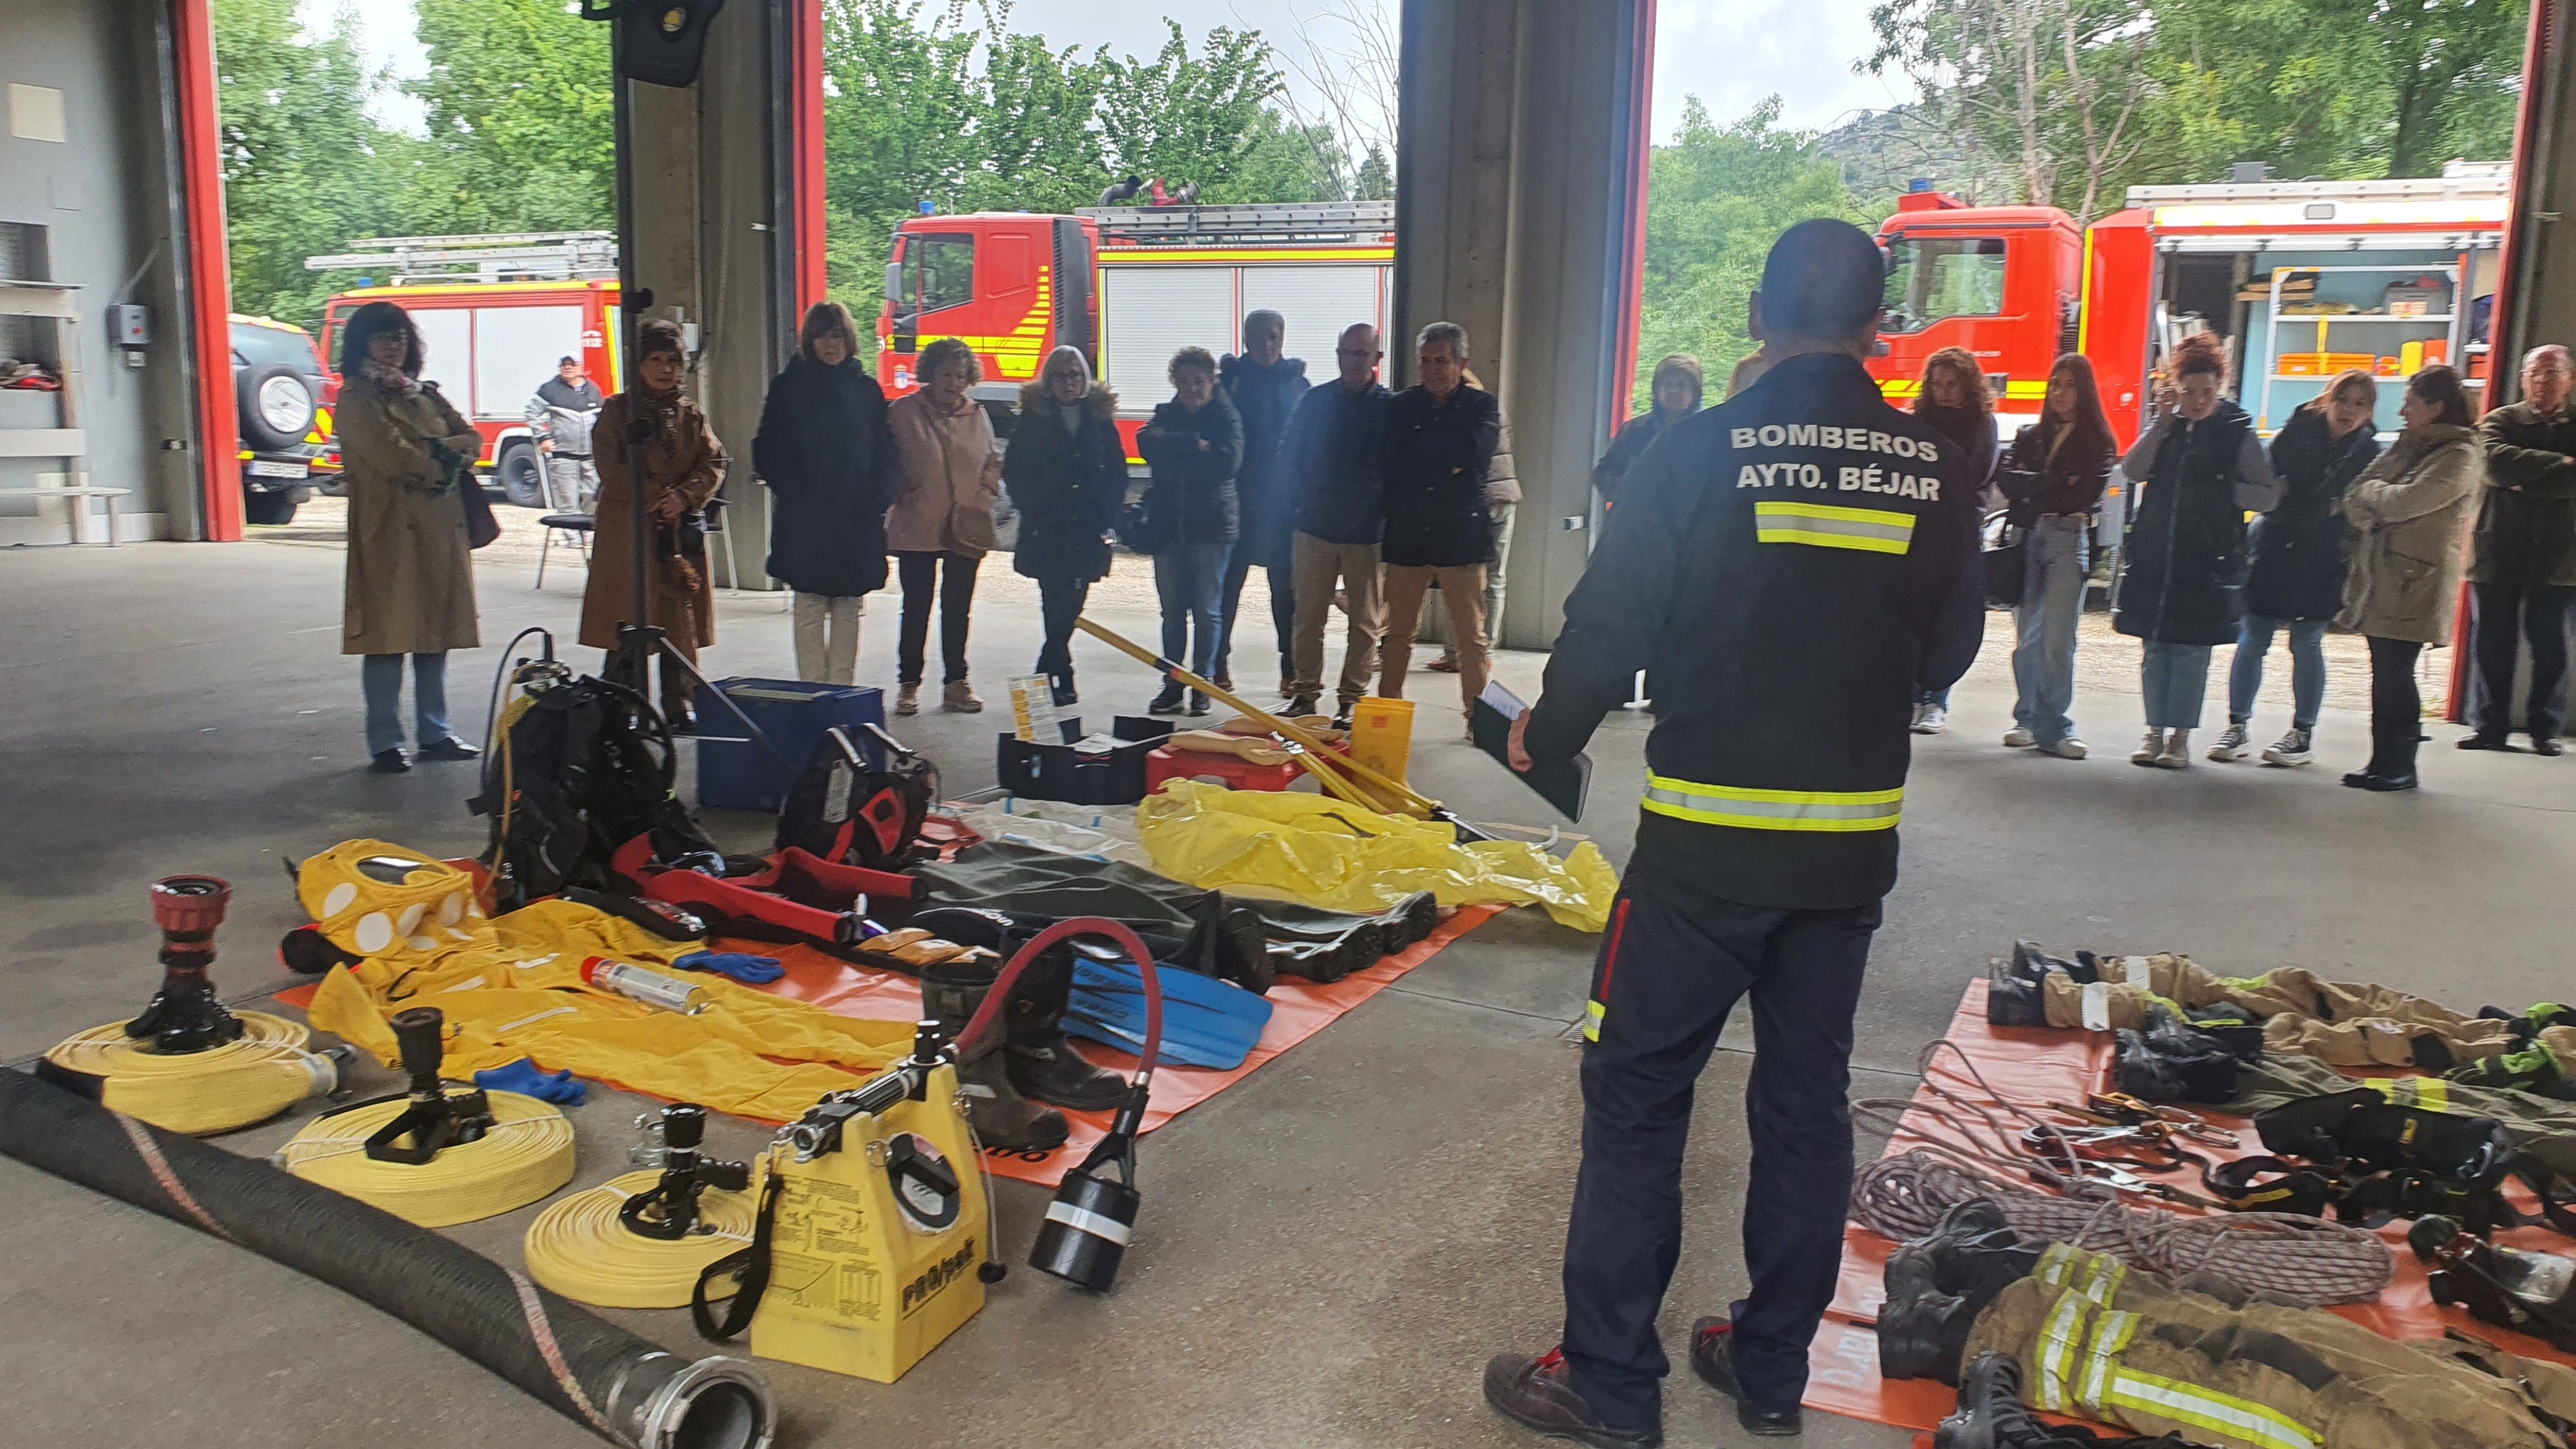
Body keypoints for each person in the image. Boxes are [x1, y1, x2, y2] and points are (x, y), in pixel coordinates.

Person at [1483, 218, 1982, 1446]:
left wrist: (1544, 734)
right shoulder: (1931, 463)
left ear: (1758, 316)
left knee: (1640, 1096)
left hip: (1702, 851)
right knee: (1806, 1102)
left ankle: (1607, 1383)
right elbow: (1956, 646)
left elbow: (1608, 620)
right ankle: (1768, 1368)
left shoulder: (1699, 451)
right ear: (1878, 326)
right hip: (1844, 855)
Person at [334, 300, 486, 775]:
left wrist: (438, 452)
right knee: (386, 637)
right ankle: (385, 742)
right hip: (389, 530)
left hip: (440, 529)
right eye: (383, 338)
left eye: (399, 338)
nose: (393, 347)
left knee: (434, 633)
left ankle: (435, 732)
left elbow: (473, 440)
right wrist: (442, 455)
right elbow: (395, 458)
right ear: (363, 344)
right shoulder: (356, 399)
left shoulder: (426, 394)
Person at [2114, 332, 2279, 769]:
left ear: (2220, 388)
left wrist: (2226, 491)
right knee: (2154, 648)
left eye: (2207, 392)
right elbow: (2132, 470)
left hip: (2207, 559)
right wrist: (2161, 423)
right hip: (2157, 555)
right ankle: (2153, 733)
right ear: (2174, 389)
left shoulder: (2236, 432)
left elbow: (2267, 495)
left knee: (2190, 651)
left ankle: (2181, 738)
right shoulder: (2166, 428)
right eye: (2188, 392)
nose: (2198, 402)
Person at [2214, 370, 2381, 766]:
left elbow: (2351, 502)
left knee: (2306, 642)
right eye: (2343, 400)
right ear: (2329, 400)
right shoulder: (2298, 430)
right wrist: (2323, 503)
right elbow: (2275, 488)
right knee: (2253, 637)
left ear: (2369, 410)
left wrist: (2320, 503)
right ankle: (2237, 726)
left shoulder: (2368, 451)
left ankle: (2302, 733)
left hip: (2324, 554)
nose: (2349, 411)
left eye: (2360, 404)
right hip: (2274, 546)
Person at [2339, 367, 2484, 791]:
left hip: (2415, 579)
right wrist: (2375, 500)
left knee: (2397, 672)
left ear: (2437, 408)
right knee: (2383, 672)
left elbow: (2406, 502)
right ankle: (2381, 760)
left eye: (2411, 402)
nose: (2402, 410)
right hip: (2380, 576)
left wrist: (2376, 498)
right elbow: (2355, 493)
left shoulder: (2460, 455)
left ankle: (2401, 764)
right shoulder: (2410, 445)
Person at [581, 318, 726, 730]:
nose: (667, 369)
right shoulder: (617, 411)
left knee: (676, 614)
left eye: (674, 361)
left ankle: (679, 700)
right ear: (638, 363)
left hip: (675, 531)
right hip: (629, 530)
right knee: (626, 618)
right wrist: (655, 496)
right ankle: (622, 702)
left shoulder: (691, 414)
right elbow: (610, 466)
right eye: (657, 359)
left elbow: (712, 463)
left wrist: (684, 497)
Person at [751, 302, 894, 687]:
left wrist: (878, 499)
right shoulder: (788, 388)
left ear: (849, 339)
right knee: (810, 604)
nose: (829, 344)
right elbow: (767, 449)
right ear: (808, 341)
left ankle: (842, 692)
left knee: (849, 605)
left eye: (836, 335)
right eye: (820, 336)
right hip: (806, 517)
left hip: (856, 515)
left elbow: (886, 452)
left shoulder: (867, 391)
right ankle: (814, 690)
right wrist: (796, 494)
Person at [1379, 321, 1501, 732]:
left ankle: (1477, 720)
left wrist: (1429, 457)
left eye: (1442, 361)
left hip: (1461, 536)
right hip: (1408, 535)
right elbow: (1391, 464)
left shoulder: (1483, 407)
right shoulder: (1399, 406)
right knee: (1397, 637)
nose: (1432, 370)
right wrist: (1446, 461)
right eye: (1425, 361)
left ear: (1461, 363)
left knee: (1471, 640)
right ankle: (1388, 715)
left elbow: (1474, 454)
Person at [1994, 354, 2119, 761]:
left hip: (2069, 536)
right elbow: (2008, 481)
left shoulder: (2098, 442)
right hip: (2026, 537)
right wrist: (2052, 480)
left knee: (2058, 637)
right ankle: (2026, 719)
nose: (2060, 393)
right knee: (2027, 635)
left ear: (2084, 392)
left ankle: (2055, 725)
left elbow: (2081, 496)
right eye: (2055, 384)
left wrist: (2036, 487)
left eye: (2069, 385)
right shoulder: (2030, 435)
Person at [2464, 343, 2576, 753]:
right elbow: (2493, 463)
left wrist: (2524, 477)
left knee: (2551, 643)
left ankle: (2545, 730)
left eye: (2553, 373)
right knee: (2493, 639)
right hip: (2499, 546)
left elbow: (2512, 469)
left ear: (2570, 379)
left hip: (2561, 554)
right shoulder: (2500, 420)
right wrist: (2562, 465)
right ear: (2523, 378)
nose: (2543, 381)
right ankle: (2489, 727)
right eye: (2535, 373)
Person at [886, 337, 1003, 716]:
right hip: (917, 521)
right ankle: (909, 684)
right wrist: (901, 489)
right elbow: (884, 460)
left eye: (961, 375)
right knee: (916, 606)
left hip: (966, 525)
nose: (954, 382)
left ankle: (957, 682)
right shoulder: (903, 411)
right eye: (946, 374)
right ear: (930, 374)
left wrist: (985, 496)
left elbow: (991, 461)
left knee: (958, 608)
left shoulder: (977, 414)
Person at [1283, 323, 1393, 721]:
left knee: (1364, 624)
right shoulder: (1315, 401)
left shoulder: (1390, 408)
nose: (1353, 361)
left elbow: (1400, 471)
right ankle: (1306, 694)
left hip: (1367, 534)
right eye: (1346, 353)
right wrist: (1295, 504)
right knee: (1308, 618)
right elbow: (1289, 455)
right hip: (1314, 528)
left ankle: (1352, 700)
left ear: (1377, 359)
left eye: (1362, 354)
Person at [1005, 344, 1126, 705]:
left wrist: (1105, 516)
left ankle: (1047, 668)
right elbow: (1016, 472)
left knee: (1073, 602)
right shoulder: (1033, 419)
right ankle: (1063, 674)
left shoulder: (1100, 420)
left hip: (1087, 526)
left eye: (1075, 374)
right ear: (1049, 380)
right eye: (1061, 375)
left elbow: (1117, 473)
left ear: (1085, 379)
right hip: (1047, 527)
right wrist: (1035, 510)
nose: (1069, 382)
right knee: (1053, 600)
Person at [1136, 346, 1243, 716]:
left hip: (1211, 528)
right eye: (1183, 383)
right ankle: (1172, 684)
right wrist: (1192, 445)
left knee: (1207, 610)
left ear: (1212, 380)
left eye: (1198, 381)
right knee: (1171, 612)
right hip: (1169, 527)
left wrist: (1177, 453)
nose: (1192, 389)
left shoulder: (1227, 417)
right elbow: (1146, 444)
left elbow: (1226, 464)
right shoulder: (1166, 414)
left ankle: (1203, 683)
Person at [1215, 310, 1310, 695]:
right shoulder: (1229, 383)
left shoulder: (1300, 385)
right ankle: (1216, 666)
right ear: (1245, 339)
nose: (1266, 345)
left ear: (1283, 339)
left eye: (1273, 337)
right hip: (1236, 504)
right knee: (1226, 591)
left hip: (1282, 508)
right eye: (1258, 338)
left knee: (1286, 595)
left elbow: (1311, 444)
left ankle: (1291, 670)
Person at [1908, 346, 1999, 734]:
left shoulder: (1983, 423)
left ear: (1968, 386)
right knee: (1912, 614)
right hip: (1918, 524)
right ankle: (1911, 695)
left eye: (1952, 384)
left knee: (1948, 615)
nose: (1943, 392)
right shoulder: (1920, 420)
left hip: (1959, 527)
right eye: (1937, 384)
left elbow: (1977, 473)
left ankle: (1936, 701)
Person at [1430, 367, 1519, 674]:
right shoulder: (1493, 406)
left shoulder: (1469, 411)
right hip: (1504, 498)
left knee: (1463, 577)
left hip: (1479, 502)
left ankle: (1461, 652)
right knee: (1493, 579)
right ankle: (1482, 649)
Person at [1593, 355, 1705, 520]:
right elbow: (1604, 472)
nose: (1674, 391)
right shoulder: (1634, 430)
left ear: (1695, 392)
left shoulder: (1708, 433)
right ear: (1657, 390)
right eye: (1667, 385)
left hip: (1689, 528)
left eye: (1681, 385)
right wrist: (1629, 493)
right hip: (1635, 526)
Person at [525, 354, 604, 513]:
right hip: (563, 458)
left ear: (581, 368)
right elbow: (531, 413)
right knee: (567, 503)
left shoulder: (593, 390)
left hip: (591, 458)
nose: (567, 368)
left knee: (594, 500)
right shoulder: (549, 390)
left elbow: (603, 419)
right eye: (564, 365)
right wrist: (543, 438)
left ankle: (590, 538)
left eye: (572, 364)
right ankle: (573, 539)